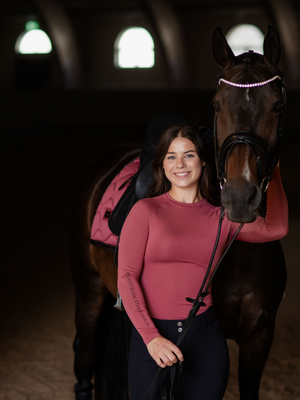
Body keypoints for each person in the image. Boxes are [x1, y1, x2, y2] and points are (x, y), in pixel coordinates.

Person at [117, 123, 288, 400]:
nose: (180, 164)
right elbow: (126, 275)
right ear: (162, 164)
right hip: (152, 338)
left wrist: (275, 170)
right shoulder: (145, 211)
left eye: (189, 154)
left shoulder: (222, 218)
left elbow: (276, 229)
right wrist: (151, 337)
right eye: (171, 156)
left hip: (204, 335)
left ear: (204, 160)